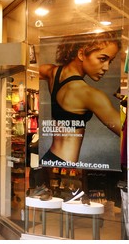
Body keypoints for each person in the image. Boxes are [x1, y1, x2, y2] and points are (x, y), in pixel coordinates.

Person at [39, 31, 122, 166]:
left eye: (110, 61)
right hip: (65, 167)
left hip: (49, 159)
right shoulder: (89, 94)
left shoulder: (52, 72)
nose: (106, 67)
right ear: (81, 54)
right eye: (102, 59)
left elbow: (26, 69)